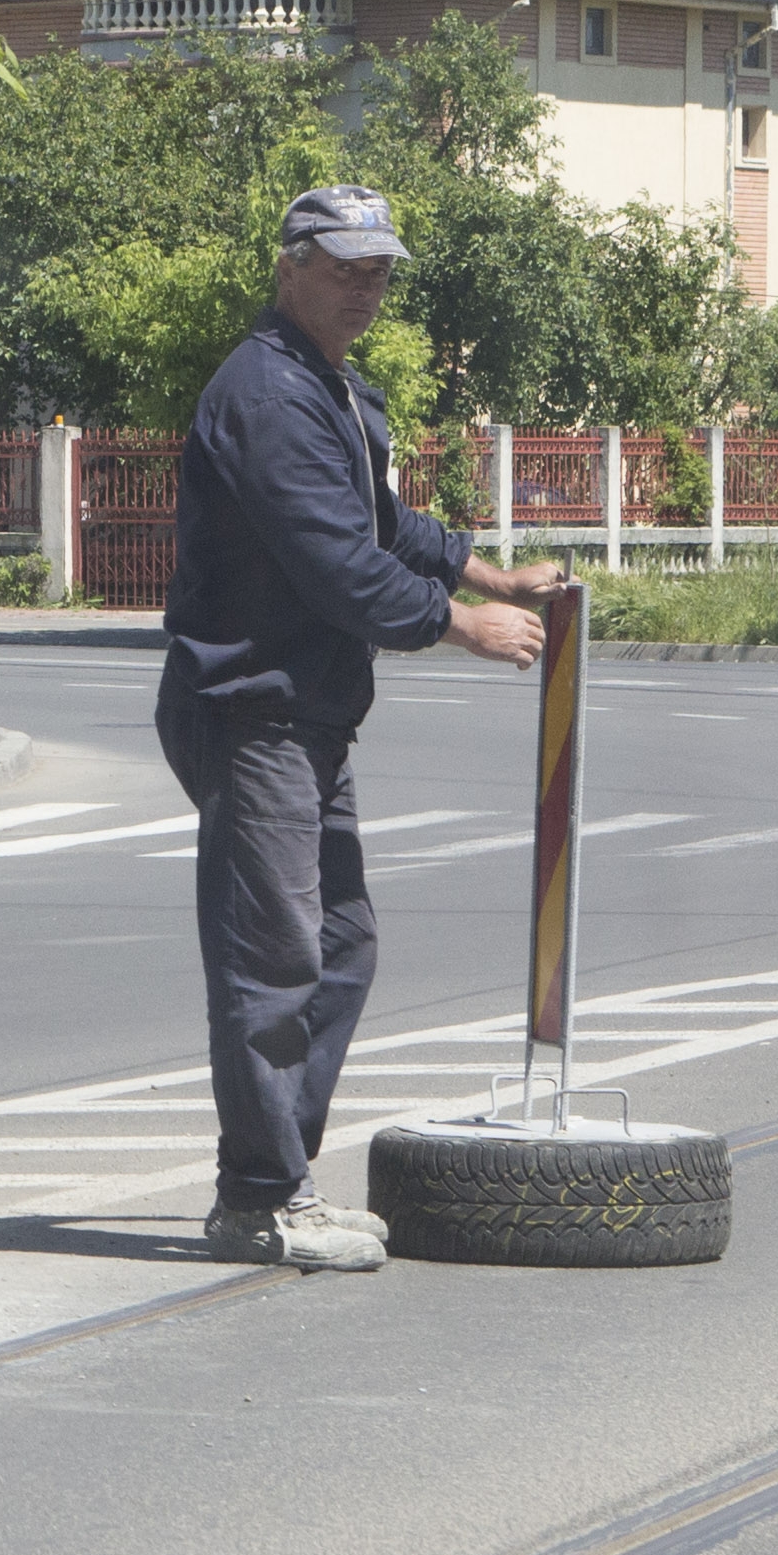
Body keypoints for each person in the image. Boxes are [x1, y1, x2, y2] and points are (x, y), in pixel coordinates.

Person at [161, 185, 565, 1274]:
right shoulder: (267, 395)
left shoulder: (328, 388)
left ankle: (279, 1172)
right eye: (342, 266)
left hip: (308, 712)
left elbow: (385, 523)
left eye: (378, 269)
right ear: (289, 263)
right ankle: (257, 1196)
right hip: (252, 711)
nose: (362, 287)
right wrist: (459, 623)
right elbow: (337, 564)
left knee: (339, 944)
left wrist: (492, 570)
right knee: (276, 956)